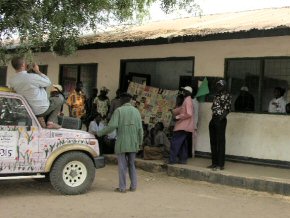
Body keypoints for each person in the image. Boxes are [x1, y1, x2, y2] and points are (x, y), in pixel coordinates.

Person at [96, 93, 143, 193]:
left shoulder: (119, 111)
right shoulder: (136, 112)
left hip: (122, 142)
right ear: (130, 100)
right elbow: (140, 130)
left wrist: (99, 133)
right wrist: (139, 143)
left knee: (122, 165)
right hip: (134, 143)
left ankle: (122, 188)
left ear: (121, 100)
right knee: (131, 164)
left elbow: (112, 126)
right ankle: (133, 186)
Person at [9, 56, 61, 129]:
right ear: (23, 65)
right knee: (60, 98)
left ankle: (41, 119)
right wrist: (37, 71)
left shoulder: (12, 81)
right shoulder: (32, 77)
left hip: (28, 109)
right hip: (41, 109)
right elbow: (48, 82)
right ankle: (50, 122)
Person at [208, 80, 232, 171]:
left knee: (220, 142)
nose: (218, 87)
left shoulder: (227, 95)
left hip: (220, 120)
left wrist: (219, 119)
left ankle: (220, 164)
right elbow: (214, 108)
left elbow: (227, 110)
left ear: (224, 86)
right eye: (217, 85)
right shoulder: (216, 95)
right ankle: (214, 163)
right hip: (213, 119)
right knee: (213, 141)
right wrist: (214, 119)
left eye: (220, 86)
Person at [168, 86, 194, 165]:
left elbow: (189, 114)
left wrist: (177, 117)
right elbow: (182, 109)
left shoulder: (188, 100)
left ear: (189, 93)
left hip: (182, 126)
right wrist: (173, 111)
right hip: (185, 127)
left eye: (185, 91)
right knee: (183, 144)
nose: (183, 92)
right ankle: (183, 160)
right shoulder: (186, 100)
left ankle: (172, 160)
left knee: (175, 142)